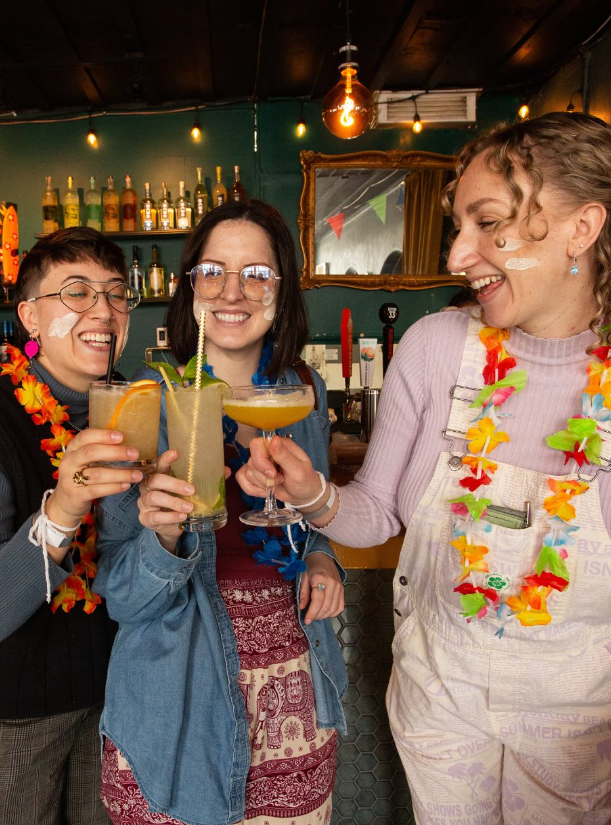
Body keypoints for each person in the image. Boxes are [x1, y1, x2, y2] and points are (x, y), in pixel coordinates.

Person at [238, 112, 611, 825]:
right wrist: (311, 492)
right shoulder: (437, 346)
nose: (460, 255)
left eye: (488, 223)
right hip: (439, 696)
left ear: (581, 228)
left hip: (582, 730)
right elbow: (377, 511)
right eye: (457, 227)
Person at [93, 200, 347, 825]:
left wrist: (322, 558)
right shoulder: (147, 399)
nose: (233, 292)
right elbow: (120, 594)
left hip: (294, 690)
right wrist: (162, 539)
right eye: (213, 272)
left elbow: (313, 519)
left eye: (256, 274)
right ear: (190, 287)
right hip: (178, 698)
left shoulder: (302, 390)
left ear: (282, 290)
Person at [0, 227, 144, 825]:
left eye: (115, 292)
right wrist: (63, 508)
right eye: (76, 292)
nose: (103, 309)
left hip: (108, 703)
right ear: (29, 317)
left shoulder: (136, 410)